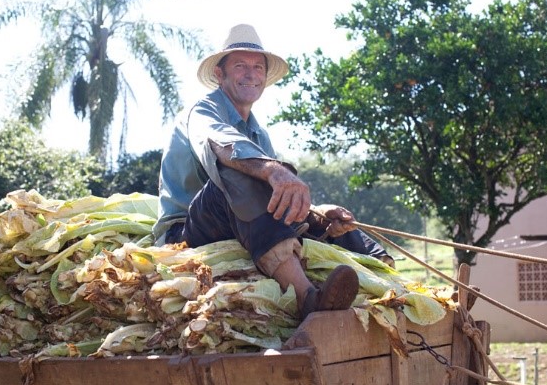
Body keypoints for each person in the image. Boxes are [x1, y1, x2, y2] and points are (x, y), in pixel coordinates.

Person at [153, 24, 393, 319]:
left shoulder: (258, 133)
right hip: (187, 232)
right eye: (240, 66)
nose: (251, 74)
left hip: (240, 222)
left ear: (265, 78)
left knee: (326, 218)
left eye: (257, 67)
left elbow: (269, 194)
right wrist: (273, 171)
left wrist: (315, 212)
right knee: (239, 172)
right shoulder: (202, 112)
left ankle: (389, 280)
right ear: (220, 74)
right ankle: (307, 297)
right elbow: (223, 148)